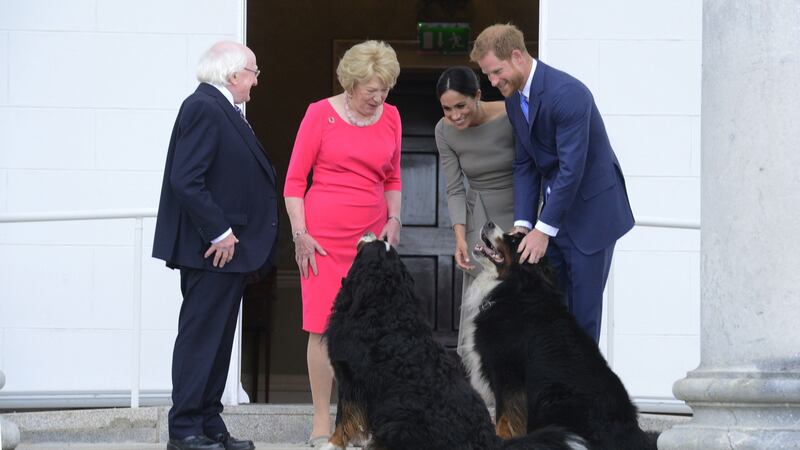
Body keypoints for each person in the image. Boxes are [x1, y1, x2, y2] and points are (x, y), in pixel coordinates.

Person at [471, 24, 634, 343]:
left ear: (517, 56)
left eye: (496, 72)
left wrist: (543, 230)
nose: (492, 82)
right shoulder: (514, 101)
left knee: (583, 319)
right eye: (487, 75)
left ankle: (584, 393)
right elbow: (525, 163)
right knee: (551, 311)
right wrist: (523, 224)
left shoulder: (568, 93)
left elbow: (572, 168)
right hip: (554, 216)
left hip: (593, 215)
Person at [152, 41, 277, 450]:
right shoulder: (204, 106)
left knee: (219, 342)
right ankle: (185, 428)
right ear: (233, 74)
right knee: (201, 339)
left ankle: (208, 423)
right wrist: (219, 231)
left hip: (229, 253)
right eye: (254, 72)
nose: (257, 81)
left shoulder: (225, 110)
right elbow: (186, 179)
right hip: (213, 250)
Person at [283, 40, 402, 447]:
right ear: (350, 84)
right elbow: (295, 182)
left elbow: (393, 178)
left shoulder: (392, 118)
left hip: (369, 241)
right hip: (322, 240)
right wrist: (300, 234)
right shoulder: (320, 114)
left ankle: (358, 422)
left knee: (368, 330)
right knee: (322, 328)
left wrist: (395, 220)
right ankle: (321, 422)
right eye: (371, 89)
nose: (378, 97)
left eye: (384, 89)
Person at [434, 66, 515, 355]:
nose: (455, 115)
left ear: (478, 95)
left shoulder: (512, 113)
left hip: (518, 215)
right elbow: (455, 188)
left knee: (516, 299)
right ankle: (480, 386)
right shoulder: (443, 131)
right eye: (447, 109)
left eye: (461, 105)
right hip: (479, 219)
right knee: (481, 301)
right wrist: (459, 238)